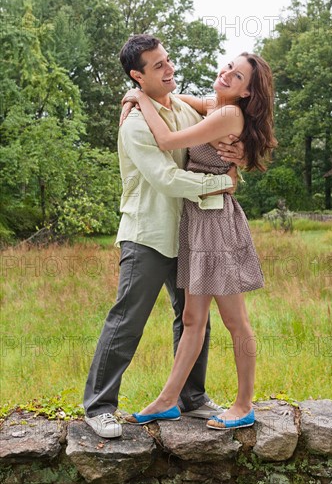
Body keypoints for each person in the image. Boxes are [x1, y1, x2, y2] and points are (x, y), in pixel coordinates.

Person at [83, 34, 245, 438]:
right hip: (148, 235)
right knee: (127, 320)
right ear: (138, 76)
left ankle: (190, 398)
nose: (169, 68)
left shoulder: (182, 112)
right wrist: (221, 183)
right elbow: (167, 179)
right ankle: (99, 406)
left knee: (193, 319)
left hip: (189, 233)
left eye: (168, 60)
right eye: (158, 66)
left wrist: (236, 152)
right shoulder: (135, 124)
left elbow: (217, 123)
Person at [122, 51, 277, 430]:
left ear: (247, 93)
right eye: (228, 67)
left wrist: (140, 97)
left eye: (237, 77)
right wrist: (138, 92)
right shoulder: (215, 105)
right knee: (193, 319)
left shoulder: (227, 115)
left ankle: (243, 405)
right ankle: (167, 400)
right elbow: (177, 101)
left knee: (235, 321)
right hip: (197, 219)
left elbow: (167, 139)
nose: (226, 75)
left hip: (217, 223)